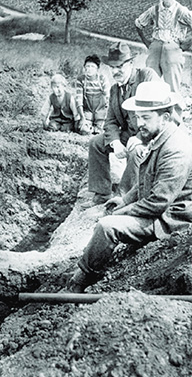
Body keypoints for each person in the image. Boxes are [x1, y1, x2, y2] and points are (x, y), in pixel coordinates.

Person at [67, 81, 192, 293]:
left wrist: (124, 211)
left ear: (165, 117)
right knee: (112, 217)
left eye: (146, 117)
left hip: (171, 219)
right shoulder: (160, 136)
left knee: (107, 227)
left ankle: (82, 279)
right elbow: (147, 179)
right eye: (137, 116)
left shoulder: (176, 149)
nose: (138, 123)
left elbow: (158, 202)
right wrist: (124, 199)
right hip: (160, 209)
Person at [84, 42, 159, 206]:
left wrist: (140, 137)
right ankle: (102, 194)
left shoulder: (146, 77)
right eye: (112, 67)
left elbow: (155, 113)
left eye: (120, 66)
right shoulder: (115, 90)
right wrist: (115, 142)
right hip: (128, 135)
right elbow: (110, 121)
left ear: (131, 63)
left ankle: (123, 199)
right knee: (96, 143)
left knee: (135, 151)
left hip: (153, 135)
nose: (115, 71)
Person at [135, 0, 192, 95]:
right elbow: (139, 24)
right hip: (155, 48)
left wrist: (187, 42)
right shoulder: (154, 10)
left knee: (172, 87)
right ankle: (152, 112)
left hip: (173, 50)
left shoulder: (181, 11)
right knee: (149, 83)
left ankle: (174, 113)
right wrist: (146, 42)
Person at [75, 54, 109, 134]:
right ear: (84, 68)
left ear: (97, 69)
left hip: (100, 111)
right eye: (88, 66)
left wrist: (106, 116)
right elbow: (79, 100)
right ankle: (90, 127)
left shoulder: (102, 79)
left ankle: (97, 127)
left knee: (102, 130)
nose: (89, 69)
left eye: (92, 67)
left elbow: (108, 98)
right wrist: (82, 118)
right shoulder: (81, 80)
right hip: (87, 111)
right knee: (83, 130)